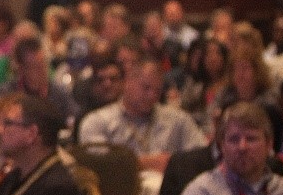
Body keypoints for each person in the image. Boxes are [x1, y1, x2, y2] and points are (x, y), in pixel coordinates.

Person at [76, 61, 207, 171]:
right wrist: (145, 163)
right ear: (127, 83)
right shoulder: (97, 121)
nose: (152, 95)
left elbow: (202, 156)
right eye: (146, 88)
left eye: (157, 91)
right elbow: (100, 165)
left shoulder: (178, 120)